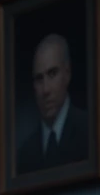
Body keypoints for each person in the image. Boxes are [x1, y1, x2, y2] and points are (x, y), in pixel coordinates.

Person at [16, 34, 89, 173]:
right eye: (39, 78)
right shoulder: (24, 153)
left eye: (52, 74)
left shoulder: (89, 131)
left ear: (67, 74)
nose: (45, 90)